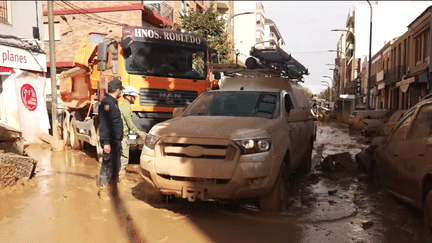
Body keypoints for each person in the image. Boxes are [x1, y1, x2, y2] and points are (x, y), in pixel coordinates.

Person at [97, 78, 124, 199]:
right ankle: (103, 190)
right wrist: (106, 143)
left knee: (114, 165)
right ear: (118, 90)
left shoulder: (112, 102)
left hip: (116, 140)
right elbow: (104, 124)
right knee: (107, 165)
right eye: (121, 90)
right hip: (111, 141)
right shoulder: (106, 103)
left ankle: (111, 190)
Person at [119, 86, 146, 181]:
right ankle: (121, 181)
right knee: (124, 160)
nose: (135, 99)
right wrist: (140, 134)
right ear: (128, 97)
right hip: (123, 138)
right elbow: (130, 124)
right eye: (134, 97)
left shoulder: (122, 106)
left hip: (120, 136)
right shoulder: (126, 108)